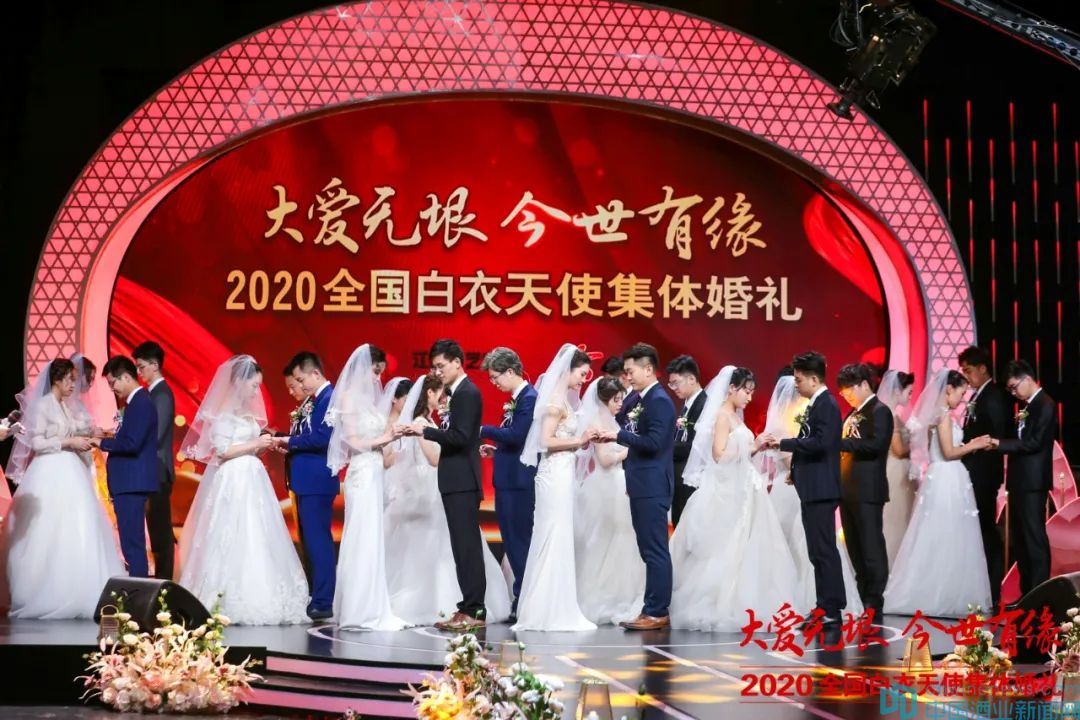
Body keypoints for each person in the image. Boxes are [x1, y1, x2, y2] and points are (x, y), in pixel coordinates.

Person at [178, 355, 309, 624]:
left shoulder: (248, 415)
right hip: (233, 478)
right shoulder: (222, 416)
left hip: (252, 477)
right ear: (239, 382)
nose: (256, 391)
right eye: (253, 385)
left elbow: (247, 446)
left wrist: (263, 445)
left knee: (257, 530)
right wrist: (255, 444)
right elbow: (223, 451)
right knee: (230, 531)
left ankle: (261, 592)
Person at [670, 366, 798, 631]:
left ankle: (746, 599)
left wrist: (754, 447)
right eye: (746, 391)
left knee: (747, 544)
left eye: (751, 392)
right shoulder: (722, 415)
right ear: (731, 389)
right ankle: (721, 602)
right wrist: (753, 445)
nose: (749, 397)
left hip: (743, 486)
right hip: (727, 489)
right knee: (726, 545)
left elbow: (738, 453)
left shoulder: (735, 416)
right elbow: (718, 455)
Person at [2, 359, 125, 618]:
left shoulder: (65, 406)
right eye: (69, 379)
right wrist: (69, 442)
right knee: (48, 529)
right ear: (57, 379)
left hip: (71, 470)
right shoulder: (44, 405)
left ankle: (80, 586)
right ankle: (45, 589)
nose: (73, 384)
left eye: (74, 379)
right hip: (50, 471)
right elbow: (37, 442)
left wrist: (89, 437)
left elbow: (76, 431)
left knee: (79, 524)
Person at [385, 374, 511, 624]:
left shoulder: (430, 421)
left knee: (459, 546)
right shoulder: (421, 423)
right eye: (438, 393)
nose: (442, 398)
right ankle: (452, 603)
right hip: (432, 488)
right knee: (443, 548)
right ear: (429, 394)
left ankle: (470, 604)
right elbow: (433, 459)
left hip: (444, 486)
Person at [884, 369, 993, 616]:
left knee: (947, 534)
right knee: (945, 533)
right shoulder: (942, 415)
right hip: (946, 477)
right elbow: (949, 452)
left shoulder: (940, 415)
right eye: (961, 394)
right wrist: (974, 444)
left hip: (947, 477)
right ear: (948, 390)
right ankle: (940, 593)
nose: (962, 399)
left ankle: (946, 590)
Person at [762, 370, 863, 617]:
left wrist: (793, 454)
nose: (799, 389)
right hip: (797, 486)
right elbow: (793, 455)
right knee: (810, 548)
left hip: (813, 487)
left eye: (800, 382)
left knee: (821, 547)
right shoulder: (794, 418)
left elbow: (819, 444)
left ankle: (829, 605)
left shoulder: (821, 408)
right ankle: (821, 602)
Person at [402, 339, 487, 631]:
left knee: (468, 548)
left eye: (441, 366)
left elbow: (462, 437)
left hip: (463, 480)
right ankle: (466, 607)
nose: (437, 372)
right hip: (454, 480)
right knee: (460, 548)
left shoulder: (467, 393)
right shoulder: (456, 393)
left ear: (457, 363)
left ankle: (475, 610)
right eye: (434, 368)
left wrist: (426, 431)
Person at [512, 343, 596, 631]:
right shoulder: (554, 402)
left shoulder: (563, 401)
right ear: (568, 369)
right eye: (582, 374)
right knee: (552, 534)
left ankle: (556, 605)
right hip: (553, 474)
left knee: (558, 535)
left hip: (562, 472)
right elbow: (545, 441)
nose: (583, 380)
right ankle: (544, 609)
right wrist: (579, 440)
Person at [594, 343, 676, 631]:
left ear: (648, 369)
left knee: (655, 549)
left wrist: (618, 436)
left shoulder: (659, 401)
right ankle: (650, 607)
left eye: (630, 371)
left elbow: (654, 443)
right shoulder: (641, 399)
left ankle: (657, 610)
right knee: (647, 549)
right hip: (641, 483)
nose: (627, 377)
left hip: (653, 484)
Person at [326, 344, 407, 630]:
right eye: (375, 371)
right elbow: (352, 442)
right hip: (362, 472)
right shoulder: (348, 398)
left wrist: (389, 437)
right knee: (361, 536)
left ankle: (371, 605)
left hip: (375, 470)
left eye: (380, 373)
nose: (377, 378)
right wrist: (385, 439)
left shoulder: (369, 401)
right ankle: (358, 610)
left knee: (372, 537)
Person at [574, 376, 645, 624]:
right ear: (605, 399)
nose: (620, 404)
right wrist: (632, 448)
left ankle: (621, 594)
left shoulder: (612, 420)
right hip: (606, 486)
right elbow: (604, 460)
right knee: (602, 541)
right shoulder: (596, 422)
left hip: (618, 482)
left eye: (621, 400)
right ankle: (601, 595)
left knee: (622, 541)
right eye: (617, 400)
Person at [274, 352, 337, 621]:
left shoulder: (329, 398)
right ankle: (317, 594)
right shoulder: (314, 400)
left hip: (317, 480)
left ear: (315, 373)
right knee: (311, 541)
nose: (299, 386)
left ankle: (324, 601)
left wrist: (289, 441)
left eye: (300, 380)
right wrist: (284, 440)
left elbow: (323, 437)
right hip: (306, 480)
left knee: (319, 541)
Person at [479, 347, 538, 620]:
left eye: (495, 377)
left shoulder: (529, 399)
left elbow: (517, 435)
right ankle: (520, 599)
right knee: (513, 544)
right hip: (508, 480)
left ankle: (525, 602)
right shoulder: (518, 399)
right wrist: (497, 450)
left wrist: (481, 430)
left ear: (511, 371)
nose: (494, 383)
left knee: (519, 544)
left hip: (518, 483)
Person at [992, 360, 1057, 596]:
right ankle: (1027, 594)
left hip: (1033, 482)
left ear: (1027, 379)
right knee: (1021, 540)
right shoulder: (1028, 406)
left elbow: (1033, 443)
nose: (1013, 393)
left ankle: (1039, 596)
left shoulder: (1045, 404)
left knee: (1033, 539)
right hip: (1020, 481)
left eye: (1014, 387)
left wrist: (999, 444)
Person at [93, 356, 160, 578]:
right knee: (131, 543)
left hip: (132, 483)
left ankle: (138, 591)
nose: (112, 388)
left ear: (126, 377)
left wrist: (101, 443)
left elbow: (132, 443)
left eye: (113, 383)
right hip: (128, 483)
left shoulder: (141, 403)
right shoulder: (136, 403)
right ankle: (138, 587)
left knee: (133, 545)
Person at [836, 363, 893, 620]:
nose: (845, 395)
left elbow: (876, 445)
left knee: (871, 547)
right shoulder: (853, 413)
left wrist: (841, 443)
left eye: (849, 389)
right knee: (855, 548)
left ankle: (874, 599)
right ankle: (861, 595)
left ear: (863, 385)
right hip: (847, 490)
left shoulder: (880, 411)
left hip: (868, 491)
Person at [958, 346, 1012, 608]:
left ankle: (992, 590)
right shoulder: (979, 395)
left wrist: (971, 446)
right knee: (977, 532)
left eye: (968, 371)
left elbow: (997, 434)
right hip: (974, 473)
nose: (966, 377)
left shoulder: (994, 395)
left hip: (984, 475)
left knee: (986, 532)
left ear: (982, 368)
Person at [133, 341, 176, 581]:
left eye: (141, 367)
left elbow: (156, 434)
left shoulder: (162, 393)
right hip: (153, 470)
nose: (139, 373)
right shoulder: (153, 393)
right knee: (157, 530)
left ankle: (164, 582)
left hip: (158, 470)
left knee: (161, 532)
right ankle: (162, 579)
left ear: (154, 365)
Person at [877, 370, 917, 567]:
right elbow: (899, 449)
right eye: (909, 392)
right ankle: (891, 566)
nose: (910, 396)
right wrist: (917, 443)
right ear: (896, 391)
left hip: (898, 471)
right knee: (895, 521)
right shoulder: (891, 416)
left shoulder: (891, 415)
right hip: (895, 473)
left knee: (900, 520)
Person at [666, 355, 707, 528]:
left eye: (676, 383)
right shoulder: (688, 404)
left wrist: (664, 447)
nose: (673, 388)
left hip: (692, 480)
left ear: (691, 379)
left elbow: (698, 446)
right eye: (671, 384)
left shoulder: (705, 405)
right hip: (679, 477)